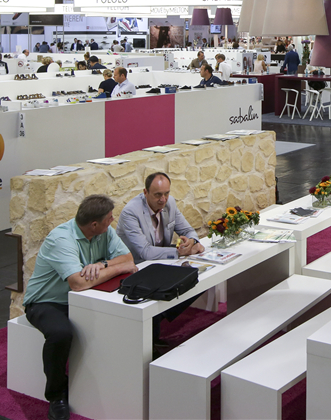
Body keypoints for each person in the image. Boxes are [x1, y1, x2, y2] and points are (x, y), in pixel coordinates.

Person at [22, 195, 136, 420]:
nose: (112, 221)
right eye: (109, 218)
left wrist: (102, 264)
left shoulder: (104, 232)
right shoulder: (61, 239)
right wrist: (116, 268)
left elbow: (128, 258)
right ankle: (56, 395)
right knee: (60, 333)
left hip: (82, 299)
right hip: (46, 302)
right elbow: (78, 283)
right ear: (94, 224)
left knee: (122, 315)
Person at [117, 173, 205, 344]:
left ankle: (160, 315)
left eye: (166, 193)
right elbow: (145, 252)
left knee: (198, 277)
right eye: (158, 195)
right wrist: (180, 253)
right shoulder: (131, 212)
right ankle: (152, 332)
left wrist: (192, 242)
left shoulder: (169, 203)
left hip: (161, 261)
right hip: (137, 266)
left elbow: (188, 230)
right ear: (145, 192)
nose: (163, 199)